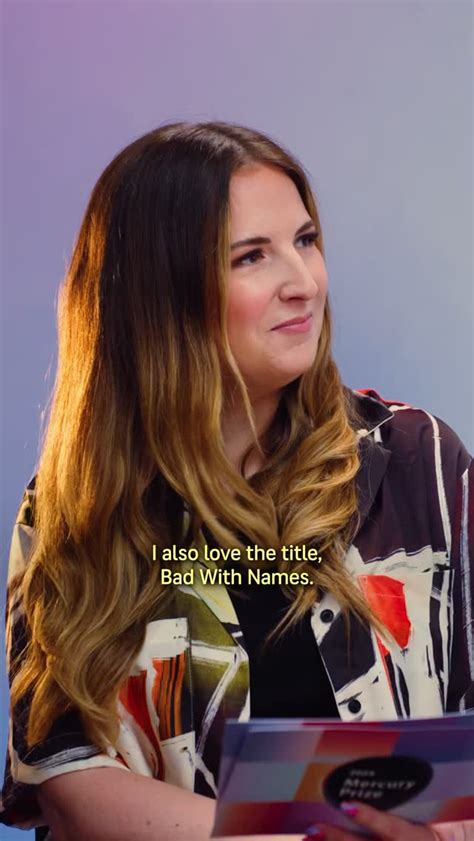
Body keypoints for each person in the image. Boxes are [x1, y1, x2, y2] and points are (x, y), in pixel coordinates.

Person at [1, 121, 472, 841]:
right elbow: (67, 781)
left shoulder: (419, 459)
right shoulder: (74, 508)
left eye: (305, 241)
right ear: (163, 295)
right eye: (252, 256)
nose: (304, 283)